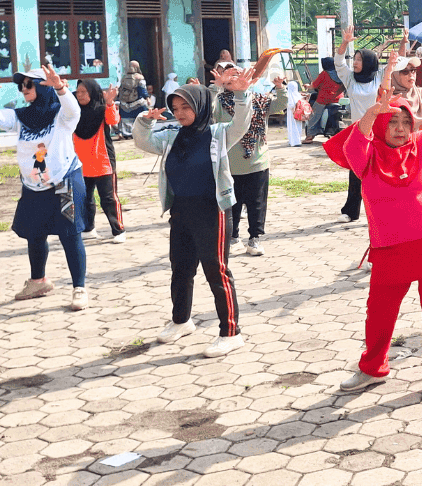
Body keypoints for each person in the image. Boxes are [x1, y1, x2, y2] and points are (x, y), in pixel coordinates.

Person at [332, 53, 422, 400]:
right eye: (392, 122)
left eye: (405, 122)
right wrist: (372, 112)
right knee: (379, 311)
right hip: (390, 246)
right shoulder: (366, 156)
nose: (399, 129)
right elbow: (353, 145)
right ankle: (372, 368)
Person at [134, 68, 254, 358]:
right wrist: (144, 122)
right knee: (181, 268)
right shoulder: (174, 136)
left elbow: (241, 123)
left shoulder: (218, 134)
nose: (180, 112)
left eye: (186, 106)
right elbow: (143, 141)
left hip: (212, 211)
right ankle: (181, 321)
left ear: (200, 106)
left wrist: (240, 94)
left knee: (217, 270)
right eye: (175, 108)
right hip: (181, 211)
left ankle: (231, 332)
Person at [0, 65, 89, 311]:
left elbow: (74, 112)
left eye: (29, 84)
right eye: (21, 85)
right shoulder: (22, 117)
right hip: (33, 185)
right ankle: (38, 281)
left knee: (69, 234)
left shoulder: (60, 116)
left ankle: (79, 288)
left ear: (43, 87)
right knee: (34, 233)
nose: (23, 89)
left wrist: (61, 88)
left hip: (65, 181)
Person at [212, 59, 287, 257]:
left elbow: (280, 104)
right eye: (229, 77)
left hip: (257, 161)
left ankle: (255, 237)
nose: (234, 79)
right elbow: (207, 115)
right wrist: (216, 88)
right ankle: (233, 236)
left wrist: (280, 87)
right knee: (232, 202)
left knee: (257, 203)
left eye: (238, 75)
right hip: (230, 163)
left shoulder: (259, 99)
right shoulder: (219, 102)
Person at [334, 24, 384, 222]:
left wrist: (404, 44)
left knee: (379, 172)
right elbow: (338, 61)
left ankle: (381, 210)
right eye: (354, 59)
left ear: (369, 63)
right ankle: (351, 211)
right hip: (357, 132)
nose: (355, 63)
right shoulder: (350, 79)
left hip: (378, 132)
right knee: (355, 172)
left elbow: (395, 66)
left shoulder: (378, 78)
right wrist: (345, 42)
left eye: (359, 60)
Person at [73, 79, 125, 243]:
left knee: (108, 199)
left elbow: (113, 120)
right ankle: (89, 229)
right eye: (78, 92)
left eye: (84, 92)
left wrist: (110, 103)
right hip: (81, 163)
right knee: (85, 198)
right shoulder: (73, 111)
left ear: (92, 92)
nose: (80, 95)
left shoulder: (102, 109)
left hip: (102, 162)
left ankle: (118, 231)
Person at [303, 57, 345, 143]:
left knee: (314, 115)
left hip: (324, 99)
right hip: (339, 100)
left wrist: (307, 86)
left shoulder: (324, 73)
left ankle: (310, 136)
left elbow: (314, 85)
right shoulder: (340, 73)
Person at [117, 61, 149, 139]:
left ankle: (123, 133)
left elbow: (120, 89)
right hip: (137, 102)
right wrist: (147, 98)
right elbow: (142, 89)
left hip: (125, 102)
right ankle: (141, 132)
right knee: (144, 114)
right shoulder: (140, 77)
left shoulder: (124, 77)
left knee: (124, 117)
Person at [285, 81, 305, 147]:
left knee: (292, 127)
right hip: (299, 115)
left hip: (292, 115)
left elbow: (290, 105)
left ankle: (294, 142)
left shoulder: (289, 95)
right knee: (298, 127)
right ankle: (298, 140)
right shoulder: (298, 95)